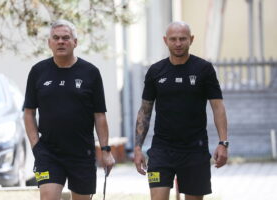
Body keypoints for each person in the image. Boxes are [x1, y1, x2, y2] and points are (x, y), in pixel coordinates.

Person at [134, 21, 228, 200]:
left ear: (191, 40)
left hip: (195, 150)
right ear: (165, 40)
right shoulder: (155, 71)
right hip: (161, 150)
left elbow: (218, 107)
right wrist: (138, 148)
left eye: (183, 39)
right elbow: (145, 111)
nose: (178, 43)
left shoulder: (204, 69)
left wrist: (223, 143)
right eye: (173, 39)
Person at [23, 19, 115, 200]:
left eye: (66, 38)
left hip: (82, 153)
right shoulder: (38, 71)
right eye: (55, 38)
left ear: (75, 42)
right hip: (48, 153)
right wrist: (36, 146)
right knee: (48, 197)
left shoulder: (90, 72)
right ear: (49, 43)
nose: (60, 42)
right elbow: (29, 113)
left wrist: (106, 150)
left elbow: (99, 115)